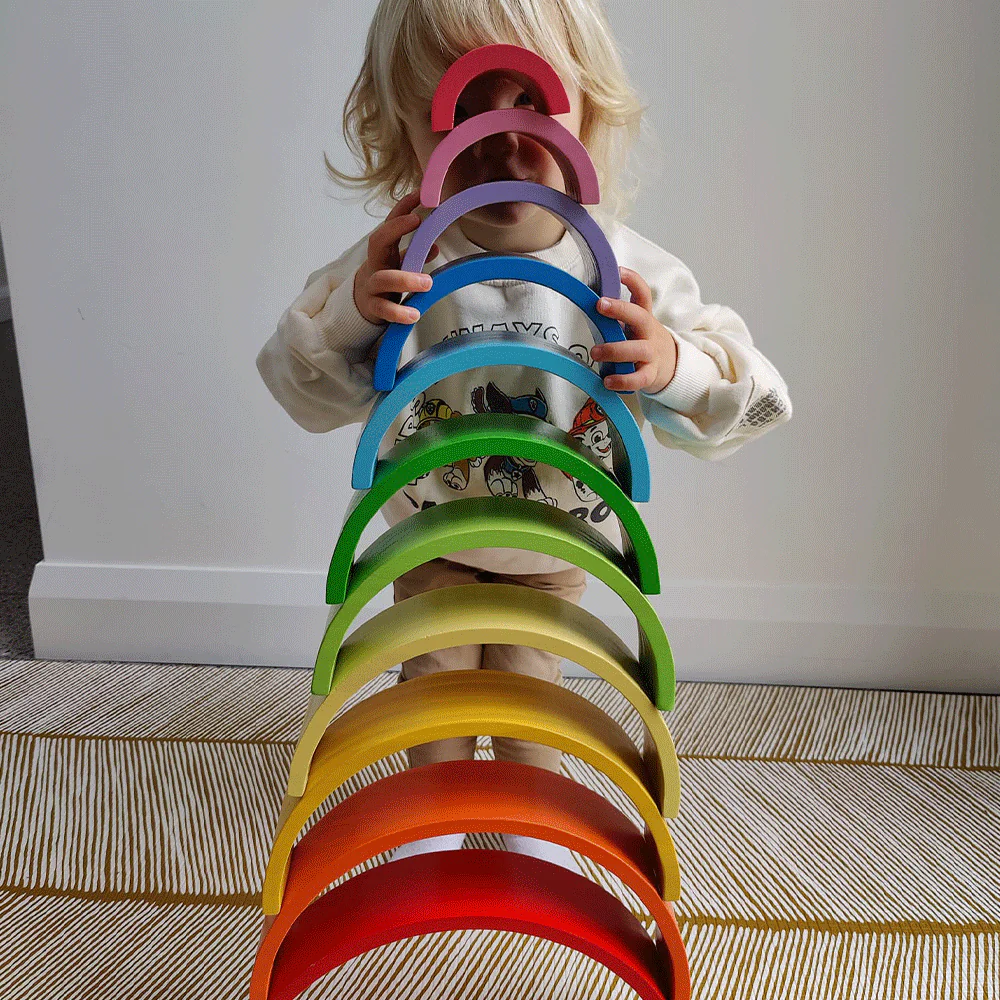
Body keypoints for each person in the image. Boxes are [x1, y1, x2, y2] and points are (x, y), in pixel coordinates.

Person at [256, 0, 793, 875]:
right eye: (463, 112)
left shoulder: (621, 266)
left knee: (531, 696)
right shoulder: (402, 258)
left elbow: (754, 394)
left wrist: (671, 364)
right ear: (407, 130)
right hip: (427, 536)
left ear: (587, 112)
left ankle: (526, 821)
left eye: (532, 105)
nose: (501, 144)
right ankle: (430, 820)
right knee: (433, 688)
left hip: (555, 543)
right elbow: (298, 385)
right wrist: (356, 313)